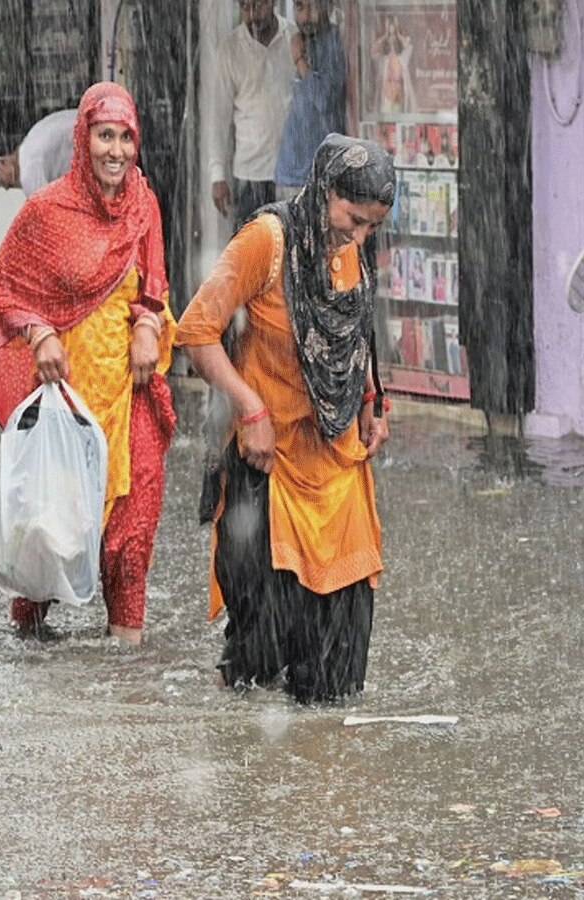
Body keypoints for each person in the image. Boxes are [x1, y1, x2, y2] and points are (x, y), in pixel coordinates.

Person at [176, 134, 395, 704]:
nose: (359, 236)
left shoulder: (347, 244)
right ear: (324, 190)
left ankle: (327, 783)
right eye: (353, 219)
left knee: (337, 670)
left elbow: (350, 332)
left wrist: (373, 400)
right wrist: (250, 408)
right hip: (267, 462)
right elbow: (197, 329)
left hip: (336, 456)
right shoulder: (267, 241)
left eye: (372, 226)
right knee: (259, 655)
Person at [0, 82, 177, 645]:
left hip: (130, 390)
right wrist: (39, 333)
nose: (116, 150)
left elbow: (155, 285)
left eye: (125, 138)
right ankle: (31, 656)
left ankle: (125, 687)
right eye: (104, 135)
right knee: (50, 536)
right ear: (82, 139)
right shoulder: (47, 212)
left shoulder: (144, 204)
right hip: (69, 401)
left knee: (130, 541)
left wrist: (146, 326)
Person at [209, 0, 296, 228]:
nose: (251, 14)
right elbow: (218, 118)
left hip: (292, 172)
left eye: (258, 5)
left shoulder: (293, 37)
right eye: (245, 7)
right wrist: (217, 175)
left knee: (290, 253)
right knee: (251, 256)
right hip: (250, 175)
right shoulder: (230, 50)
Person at [274, 0, 346, 200]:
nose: (305, 17)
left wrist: (300, 61)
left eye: (312, 8)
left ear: (328, 7)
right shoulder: (298, 40)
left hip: (317, 177)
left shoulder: (334, 43)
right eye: (299, 7)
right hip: (289, 173)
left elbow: (324, 99)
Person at [0, 107, 79, 196]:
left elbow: (46, 207)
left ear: (2, 162)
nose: (6, 188)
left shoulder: (28, 172)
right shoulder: (32, 136)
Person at [371, 14, 415, 115]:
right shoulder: (383, 60)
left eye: (394, 35)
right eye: (390, 36)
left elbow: (409, 46)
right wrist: (385, 35)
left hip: (400, 101)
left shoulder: (403, 59)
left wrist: (399, 34)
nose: (392, 39)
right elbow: (373, 51)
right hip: (386, 101)